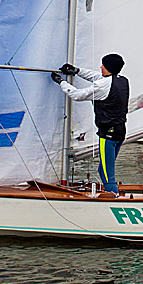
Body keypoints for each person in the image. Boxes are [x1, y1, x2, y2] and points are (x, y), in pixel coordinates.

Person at [53, 53, 129, 195]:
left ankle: (114, 198)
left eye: (103, 65)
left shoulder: (102, 86)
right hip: (120, 132)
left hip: (108, 135)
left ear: (109, 67)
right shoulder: (122, 80)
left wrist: (61, 82)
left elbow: (77, 95)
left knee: (107, 175)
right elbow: (97, 77)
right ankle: (112, 194)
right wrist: (77, 71)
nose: (101, 66)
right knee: (103, 169)